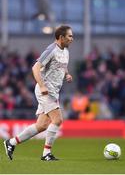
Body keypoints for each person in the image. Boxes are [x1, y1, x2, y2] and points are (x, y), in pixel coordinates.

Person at [4, 25, 73, 161]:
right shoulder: (51, 50)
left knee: (42, 125)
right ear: (61, 37)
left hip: (53, 92)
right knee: (58, 119)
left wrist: (67, 74)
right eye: (69, 36)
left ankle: (11, 142)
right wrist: (42, 86)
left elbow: (62, 65)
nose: (72, 38)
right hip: (45, 91)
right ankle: (46, 154)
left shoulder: (65, 51)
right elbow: (35, 67)